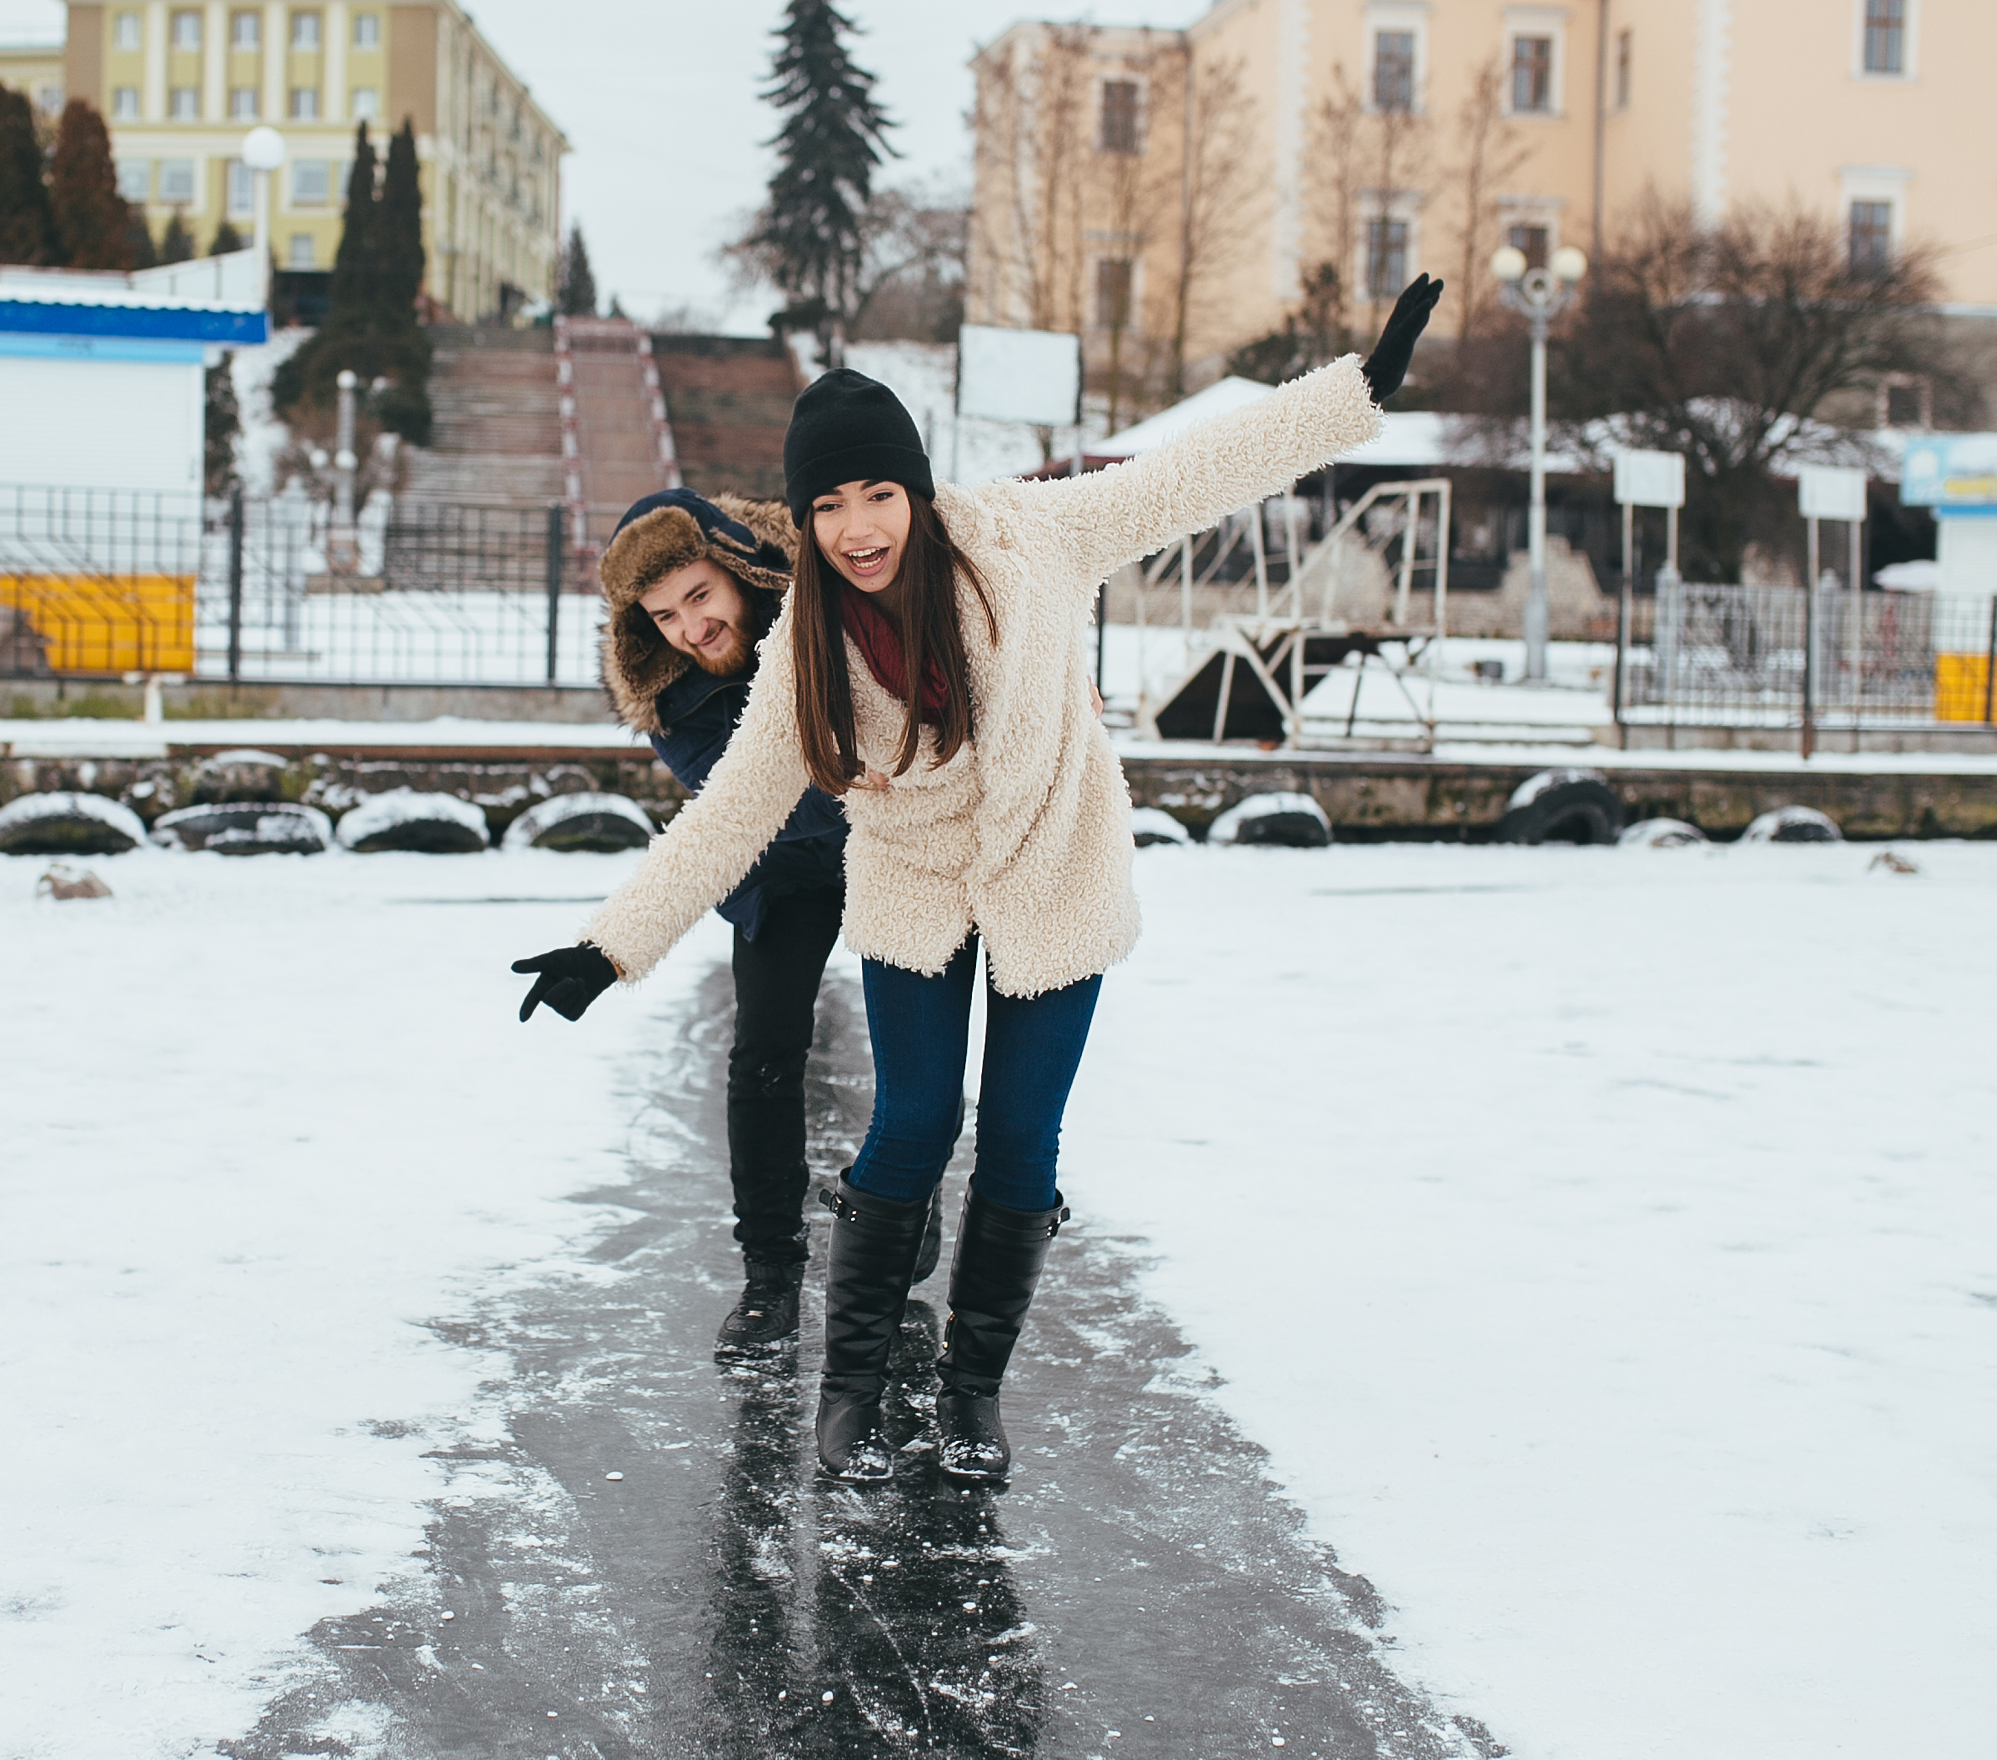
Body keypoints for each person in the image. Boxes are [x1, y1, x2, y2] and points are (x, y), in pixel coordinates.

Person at [519, 277, 1444, 1485]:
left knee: (1021, 1138)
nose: (857, 528)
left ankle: (970, 1392)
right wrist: (609, 945)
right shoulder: (805, 637)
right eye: (830, 504)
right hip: (913, 885)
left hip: (1056, 867)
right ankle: (850, 1391)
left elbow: (1190, 471)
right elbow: (730, 814)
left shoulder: (1032, 537)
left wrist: (1353, 395)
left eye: (878, 494)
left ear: (915, 488)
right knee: (913, 1120)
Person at [586, 487, 941, 1359]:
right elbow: (750, 808)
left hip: (892, 844)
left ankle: (896, 1216)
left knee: (922, 1035)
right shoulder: (667, 691)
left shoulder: (830, 610)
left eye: (700, 598)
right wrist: (848, 773)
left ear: (740, 572)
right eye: (665, 615)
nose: (690, 629)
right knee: (764, 1052)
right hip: (779, 865)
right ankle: (770, 1274)